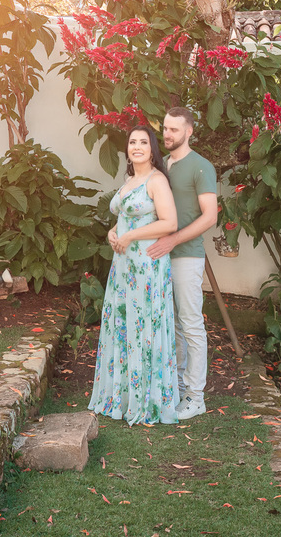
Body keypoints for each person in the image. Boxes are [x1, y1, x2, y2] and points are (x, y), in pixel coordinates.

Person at [89, 126, 180, 425]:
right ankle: (123, 395)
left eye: (143, 142)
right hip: (124, 265)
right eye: (132, 142)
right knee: (124, 323)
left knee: (144, 325)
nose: (137, 146)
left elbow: (169, 223)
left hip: (147, 264)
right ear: (127, 149)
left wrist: (131, 237)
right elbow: (124, 216)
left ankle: (147, 400)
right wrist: (114, 232)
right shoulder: (130, 180)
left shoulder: (157, 181)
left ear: (153, 149)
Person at [147, 107, 218, 420]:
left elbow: (210, 217)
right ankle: (174, 386)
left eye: (174, 130)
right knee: (172, 325)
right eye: (165, 128)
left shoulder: (200, 166)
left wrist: (173, 241)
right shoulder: (162, 167)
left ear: (189, 131)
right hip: (161, 257)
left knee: (191, 324)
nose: (167, 134)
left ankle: (195, 396)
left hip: (187, 256)